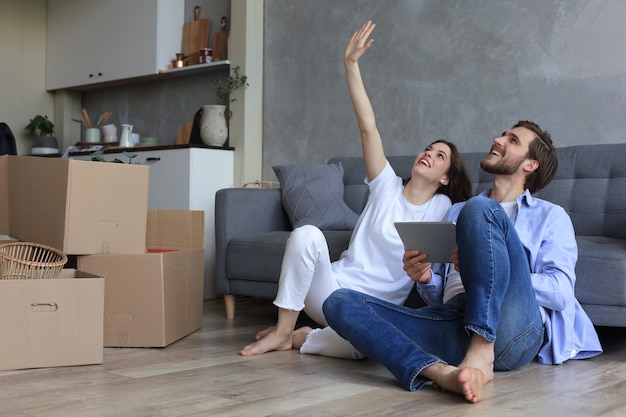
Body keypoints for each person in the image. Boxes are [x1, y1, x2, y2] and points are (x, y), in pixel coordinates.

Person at [323, 119, 603, 403]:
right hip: (453, 325)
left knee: (481, 208)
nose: (498, 139)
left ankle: (482, 348)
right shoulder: (456, 211)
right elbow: (440, 295)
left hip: (511, 328)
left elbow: (561, 292)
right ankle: (439, 371)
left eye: (512, 141)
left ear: (530, 165)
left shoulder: (549, 216)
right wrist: (425, 278)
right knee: (338, 302)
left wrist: (486, 267)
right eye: (502, 135)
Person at [239, 20, 473, 357]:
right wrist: (351, 64)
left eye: (439, 156)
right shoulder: (386, 186)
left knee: (372, 347)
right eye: (427, 149)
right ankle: (283, 330)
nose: (427, 154)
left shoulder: (443, 210)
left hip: (372, 311)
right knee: (306, 234)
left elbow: (448, 264)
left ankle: (304, 338)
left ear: (446, 178)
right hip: (332, 292)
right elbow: (369, 128)